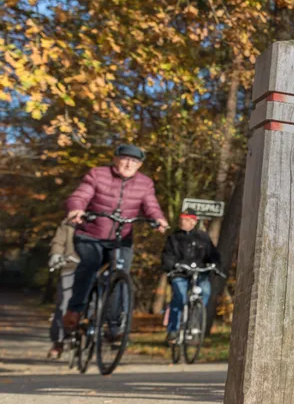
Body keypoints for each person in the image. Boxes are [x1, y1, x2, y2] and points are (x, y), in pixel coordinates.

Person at [62, 144, 169, 334]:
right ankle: (75, 310)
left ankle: (115, 324)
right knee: (90, 265)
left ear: (140, 165)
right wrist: (77, 209)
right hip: (90, 235)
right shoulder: (97, 174)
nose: (129, 164)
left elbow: (151, 205)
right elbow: (80, 195)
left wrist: (158, 219)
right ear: (115, 159)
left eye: (134, 161)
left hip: (121, 238)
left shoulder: (145, 183)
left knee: (120, 273)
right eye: (125, 159)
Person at [161, 211, 220, 344]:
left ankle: (194, 323)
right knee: (180, 297)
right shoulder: (174, 237)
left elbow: (213, 254)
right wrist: (173, 266)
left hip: (199, 273)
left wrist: (215, 265)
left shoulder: (202, 237)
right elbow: (167, 256)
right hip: (179, 273)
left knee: (205, 291)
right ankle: (173, 330)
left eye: (186, 220)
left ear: (193, 222)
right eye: (181, 220)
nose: (183, 222)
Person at [46, 222, 78, 359]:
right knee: (64, 302)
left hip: (95, 268)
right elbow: (58, 241)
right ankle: (58, 341)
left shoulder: (105, 217)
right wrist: (56, 254)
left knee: (97, 302)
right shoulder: (69, 221)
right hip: (71, 266)